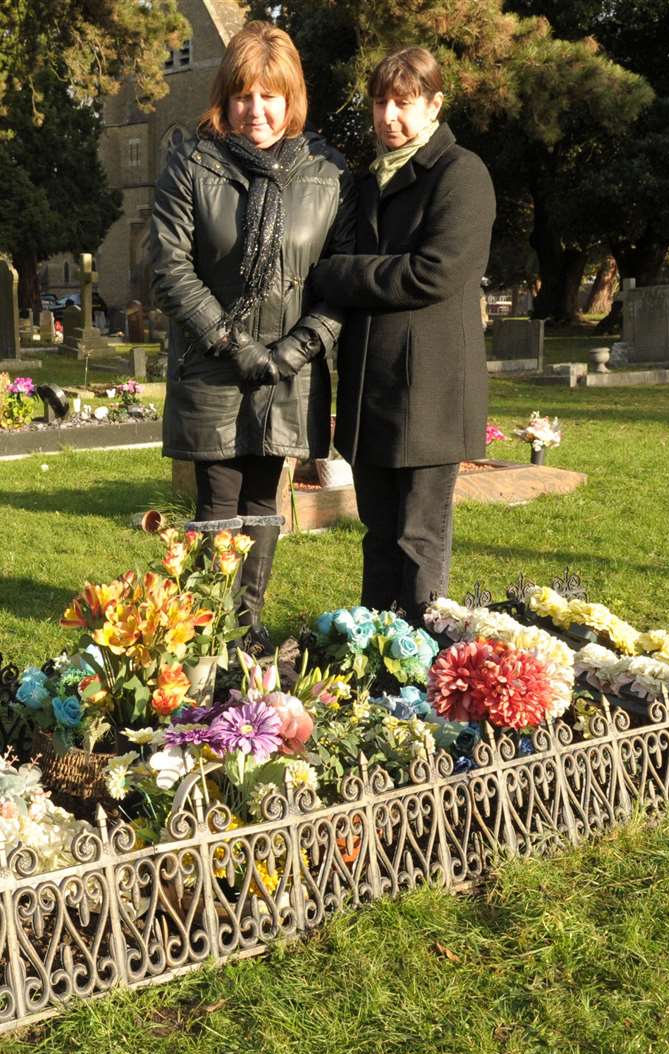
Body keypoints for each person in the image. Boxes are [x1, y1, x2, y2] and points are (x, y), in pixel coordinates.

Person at [150, 20, 353, 654]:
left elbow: (340, 278)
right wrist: (236, 345)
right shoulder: (191, 163)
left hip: (292, 367)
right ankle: (209, 626)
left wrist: (294, 350)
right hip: (213, 362)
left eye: (270, 95)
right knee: (219, 496)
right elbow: (170, 269)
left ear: (291, 98)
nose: (256, 110)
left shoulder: (328, 174)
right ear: (226, 98)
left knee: (267, 496)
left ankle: (250, 624)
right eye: (243, 95)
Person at [306, 46, 496, 620]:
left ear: (435, 105)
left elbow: (432, 272)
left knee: (419, 538)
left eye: (404, 103)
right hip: (371, 388)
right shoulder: (367, 182)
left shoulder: (460, 173)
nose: (389, 116)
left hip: (429, 391)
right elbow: (355, 257)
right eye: (380, 102)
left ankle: (423, 660)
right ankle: (376, 651)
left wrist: (342, 274)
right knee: (378, 535)